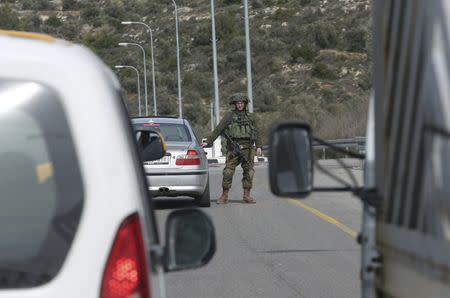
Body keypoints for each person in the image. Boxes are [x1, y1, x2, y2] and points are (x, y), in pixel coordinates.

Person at [202, 93, 262, 204]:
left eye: (242, 103)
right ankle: (224, 196)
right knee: (228, 172)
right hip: (233, 148)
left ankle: (247, 195)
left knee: (249, 172)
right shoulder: (229, 116)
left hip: (248, 148)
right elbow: (218, 129)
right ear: (235, 104)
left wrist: (258, 146)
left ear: (245, 104)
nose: (240, 105)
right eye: (238, 103)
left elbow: (257, 132)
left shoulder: (252, 117)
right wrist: (208, 141)